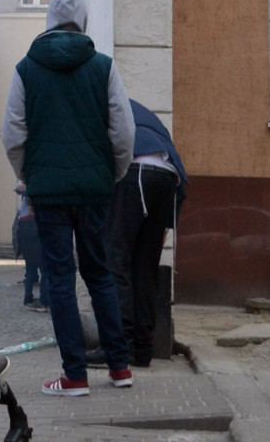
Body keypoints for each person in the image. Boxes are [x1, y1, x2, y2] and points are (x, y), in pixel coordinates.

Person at [1, 0, 136, 397]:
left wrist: (30, 176)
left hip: (48, 193)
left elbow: (13, 133)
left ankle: (75, 375)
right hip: (94, 190)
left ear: (49, 20)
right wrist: (112, 175)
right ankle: (120, 367)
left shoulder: (26, 68)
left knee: (59, 278)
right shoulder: (104, 67)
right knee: (99, 274)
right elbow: (123, 131)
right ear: (83, 20)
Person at [88, 99, 188, 368]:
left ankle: (117, 346)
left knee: (115, 261)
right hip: (168, 177)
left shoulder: (97, 105)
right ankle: (142, 349)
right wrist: (167, 223)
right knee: (145, 267)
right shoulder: (139, 110)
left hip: (135, 170)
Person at [14, 181, 48, 312]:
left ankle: (28, 297)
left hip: (29, 252)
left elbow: (19, 236)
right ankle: (44, 299)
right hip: (38, 252)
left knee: (30, 274)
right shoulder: (39, 221)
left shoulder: (23, 220)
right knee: (43, 273)